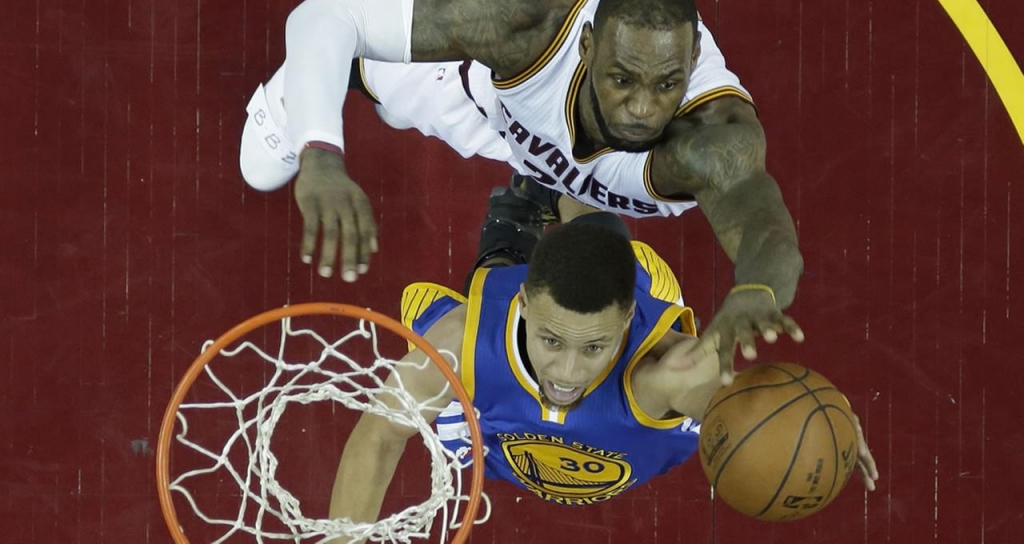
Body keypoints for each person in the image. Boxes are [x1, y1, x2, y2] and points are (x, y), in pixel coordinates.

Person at [240, 0, 805, 383]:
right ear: (587, 47)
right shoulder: (529, 22)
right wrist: (321, 155)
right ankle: (307, 88)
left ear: (694, 55)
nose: (641, 109)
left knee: (577, 186)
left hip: (526, 139)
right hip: (467, 77)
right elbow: (323, 15)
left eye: (665, 85)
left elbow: (766, 229)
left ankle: (542, 181)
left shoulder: (709, 141)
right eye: (622, 79)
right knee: (266, 162)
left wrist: (756, 290)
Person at [326, 196, 877, 538]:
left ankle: (558, 183)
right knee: (481, 292)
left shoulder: (666, 376)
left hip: (625, 422)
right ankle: (512, 227)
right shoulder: (458, 342)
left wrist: (819, 418)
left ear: (628, 321)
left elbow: (763, 403)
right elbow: (379, 436)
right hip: (491, 429)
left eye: (594, 348)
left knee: (601, 236)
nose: (567, 372)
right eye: (551, 342)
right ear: (523, 308)